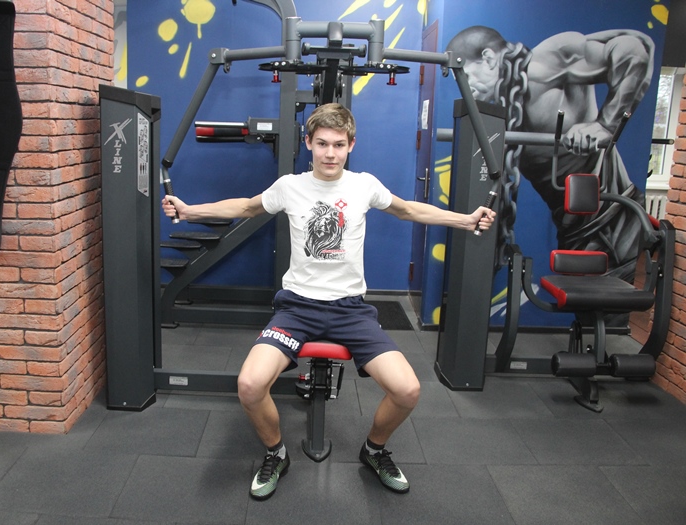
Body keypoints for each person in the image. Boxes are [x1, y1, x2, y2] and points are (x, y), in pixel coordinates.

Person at [162, 103, 495, 500]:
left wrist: (465, 219)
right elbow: (247, 206)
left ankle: (374, 450)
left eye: (339, 144)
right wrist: (189, 210)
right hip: (297, 308)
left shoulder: (364, 186)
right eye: (322, 143)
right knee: (249, 384)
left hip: (350, 311)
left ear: (351, 145)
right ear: (308, 143)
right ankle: (276, 453)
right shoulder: (290, 186)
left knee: (407, 390)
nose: (330, 153)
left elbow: (408, 210)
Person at [446, 26, 654, 284]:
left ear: (488, 59)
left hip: (615, 222)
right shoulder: (500, 108)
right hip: (573, 230)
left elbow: (633, 51)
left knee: (608, 304)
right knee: (584, 303)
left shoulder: (548, 60)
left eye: (466, 75)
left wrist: (605, 125)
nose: (466, 88)